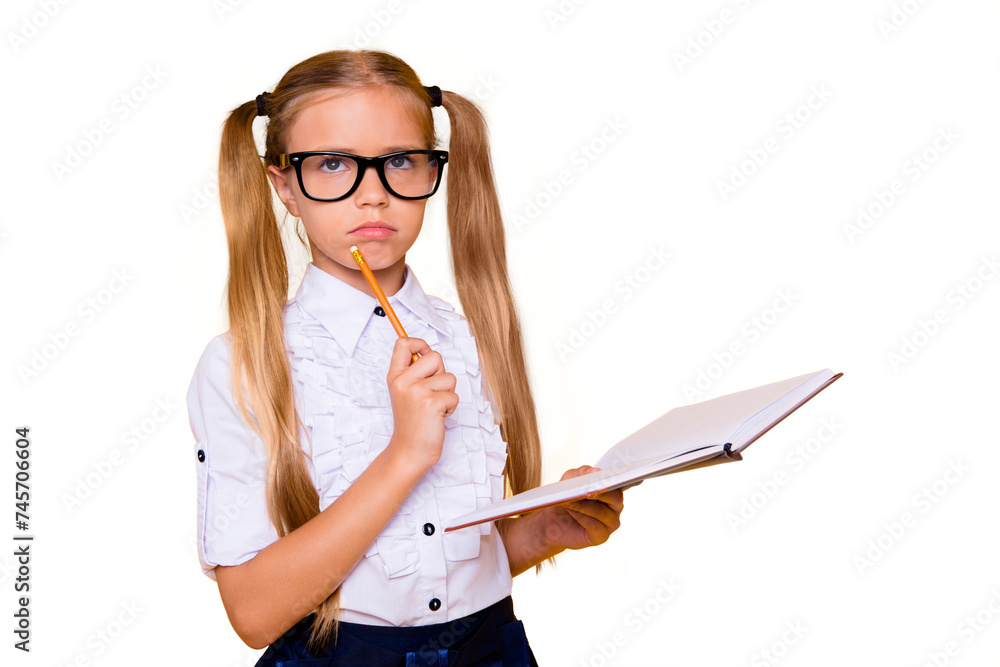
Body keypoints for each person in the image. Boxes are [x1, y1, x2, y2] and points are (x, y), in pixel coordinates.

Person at [185, 49, 625, 666]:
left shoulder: (472, 337)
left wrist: (544, 531)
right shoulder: (244, 366)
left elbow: (440, 570)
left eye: (399, 162)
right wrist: (406, 454)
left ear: (431, 170)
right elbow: (254, 614)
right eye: (333, 164)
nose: (372, 197)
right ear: (284, 185)